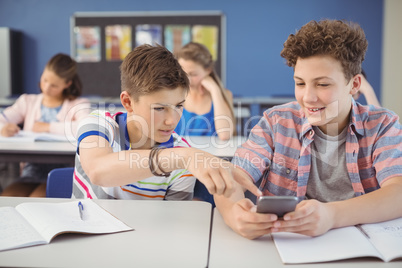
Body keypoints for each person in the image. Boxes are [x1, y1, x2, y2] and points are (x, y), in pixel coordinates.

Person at [214, 19, 402, 239]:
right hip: (287, 247)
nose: (308, 98)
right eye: (300, 83)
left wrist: (331, 216)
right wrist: (233, 214)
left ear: (355, 85)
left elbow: (397, 192)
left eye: (323, 84)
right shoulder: (276, 122)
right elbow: (233, 178)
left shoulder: (383, 125)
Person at [72, 44, 260, 200]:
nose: (172, 120)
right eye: (160, 108)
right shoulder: (97, 123)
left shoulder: (183, 156)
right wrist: (182, 157)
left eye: (179, 106)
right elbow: (98, 171)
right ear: (128, 102)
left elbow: (172, 226)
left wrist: (183, 157)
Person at [0, 53, 91, 197]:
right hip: (31, 171)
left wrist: (48, 127)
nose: (47, 87)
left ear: (67, 84)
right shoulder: (27, 101)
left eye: (54, 85)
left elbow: (85, 126)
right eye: (45, 80)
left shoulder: (79, 104)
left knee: (36, 200)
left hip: (61, 172)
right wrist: (3, 128)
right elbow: (2, 119)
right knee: (6, 198)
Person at [174, 42, 235, 141]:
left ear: (208, 70)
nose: (187, 79)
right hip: (178, 154)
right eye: (183, 73)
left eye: (193, 74)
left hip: (210, 154)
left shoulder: (225, 94)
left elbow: (225, 135)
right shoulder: (175, 94)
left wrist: (215, 90)